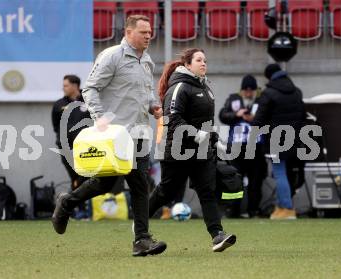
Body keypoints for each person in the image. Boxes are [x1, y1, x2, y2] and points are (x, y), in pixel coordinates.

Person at [51, 15, 167, 257]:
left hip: (139, 134)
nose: (148, 36)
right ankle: (67, 202)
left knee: (139, 184)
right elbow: (90, 88)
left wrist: (153, 107)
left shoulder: (147, 61)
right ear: (128, 32)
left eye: (150, 32)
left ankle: (142, 240)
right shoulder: (111, 56)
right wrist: (99, 116)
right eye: (143, 32)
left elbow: (144, 95)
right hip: (114, 136)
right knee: (105, 183)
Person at [149, 48, 236, 252]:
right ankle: (140, 222)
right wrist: (199, 135)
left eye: (205, 60)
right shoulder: (179, 87)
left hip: (202, 151)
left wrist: (215, 141)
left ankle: (217, 235)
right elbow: (173, 119)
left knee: (207, 191)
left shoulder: (207, 88)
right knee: (166, 192)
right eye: (199, 60)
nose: (204, 63)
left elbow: (207, 123)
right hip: (178, 150)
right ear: (187, 65)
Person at [252, 63, 306, 220]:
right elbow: (303, 116)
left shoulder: (268, 93)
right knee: (287, 172)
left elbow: (259, 119)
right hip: (295, 138)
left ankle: (286, 208)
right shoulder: (297, 92)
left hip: (276, 139)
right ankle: (284, 205)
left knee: (279, 172)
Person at [219, 75, 267, 218]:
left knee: (256, 181)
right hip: (237, 147)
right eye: (245, 89)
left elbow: (269, 119)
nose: (248, 92)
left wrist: (255, 119)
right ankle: (234, 211)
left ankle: (253, 210)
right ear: (241, 90)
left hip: (256, 147)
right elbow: (222, 115)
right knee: (235, 181)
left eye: (251, 89)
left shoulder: (261, 101)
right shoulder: (233, 99)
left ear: (255, 90)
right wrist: (236, 114)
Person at [51, 75, 92, 191]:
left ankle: (87, 205)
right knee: (75, 177)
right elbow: (55, 125)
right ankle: (76, 205)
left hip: (86, 147)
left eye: (66, 85)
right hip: (67, 147)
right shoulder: (59, 104)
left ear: (75, 86)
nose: (63, 88)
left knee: (87, 176)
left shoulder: (88, 101)